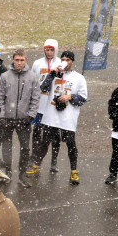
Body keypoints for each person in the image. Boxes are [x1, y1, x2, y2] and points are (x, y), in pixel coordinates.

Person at [31, 51, 87, 184]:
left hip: (68, 117)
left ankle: (73, 171)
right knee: (45, 141)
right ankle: (37, 165)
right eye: (62, 59)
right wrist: (51, 74)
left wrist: (70, 97)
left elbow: (83, 98)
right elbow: (43, 88)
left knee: (71, 145)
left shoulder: (79, 78)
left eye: (68, 59)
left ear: (72, 62)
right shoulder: (54, 75)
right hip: (51, 115)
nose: (65, 61)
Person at [0, 49, 40, 187]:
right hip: (7, 118)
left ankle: (22, 174)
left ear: (26, 60)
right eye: (17, 60)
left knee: (25, 148)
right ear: (13, 60)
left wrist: (31, 115)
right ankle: (7, 172)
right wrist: (1, 115)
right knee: (7, 147)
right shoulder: (5, 76)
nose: (19, 63)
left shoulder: (32, 77)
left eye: (22, 60)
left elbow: (35, 98)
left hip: (24, 119)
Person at [29, 38, 60, 169]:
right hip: (39, 104)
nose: (49, 52)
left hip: (53, 105)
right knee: (36, 132)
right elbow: (32, 81)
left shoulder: (60, 63)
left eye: (52, 50)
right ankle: (34, 156)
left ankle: (54, 160)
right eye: (47, 49)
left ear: (56, 50)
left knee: (54, 134)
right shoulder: (37, 63)